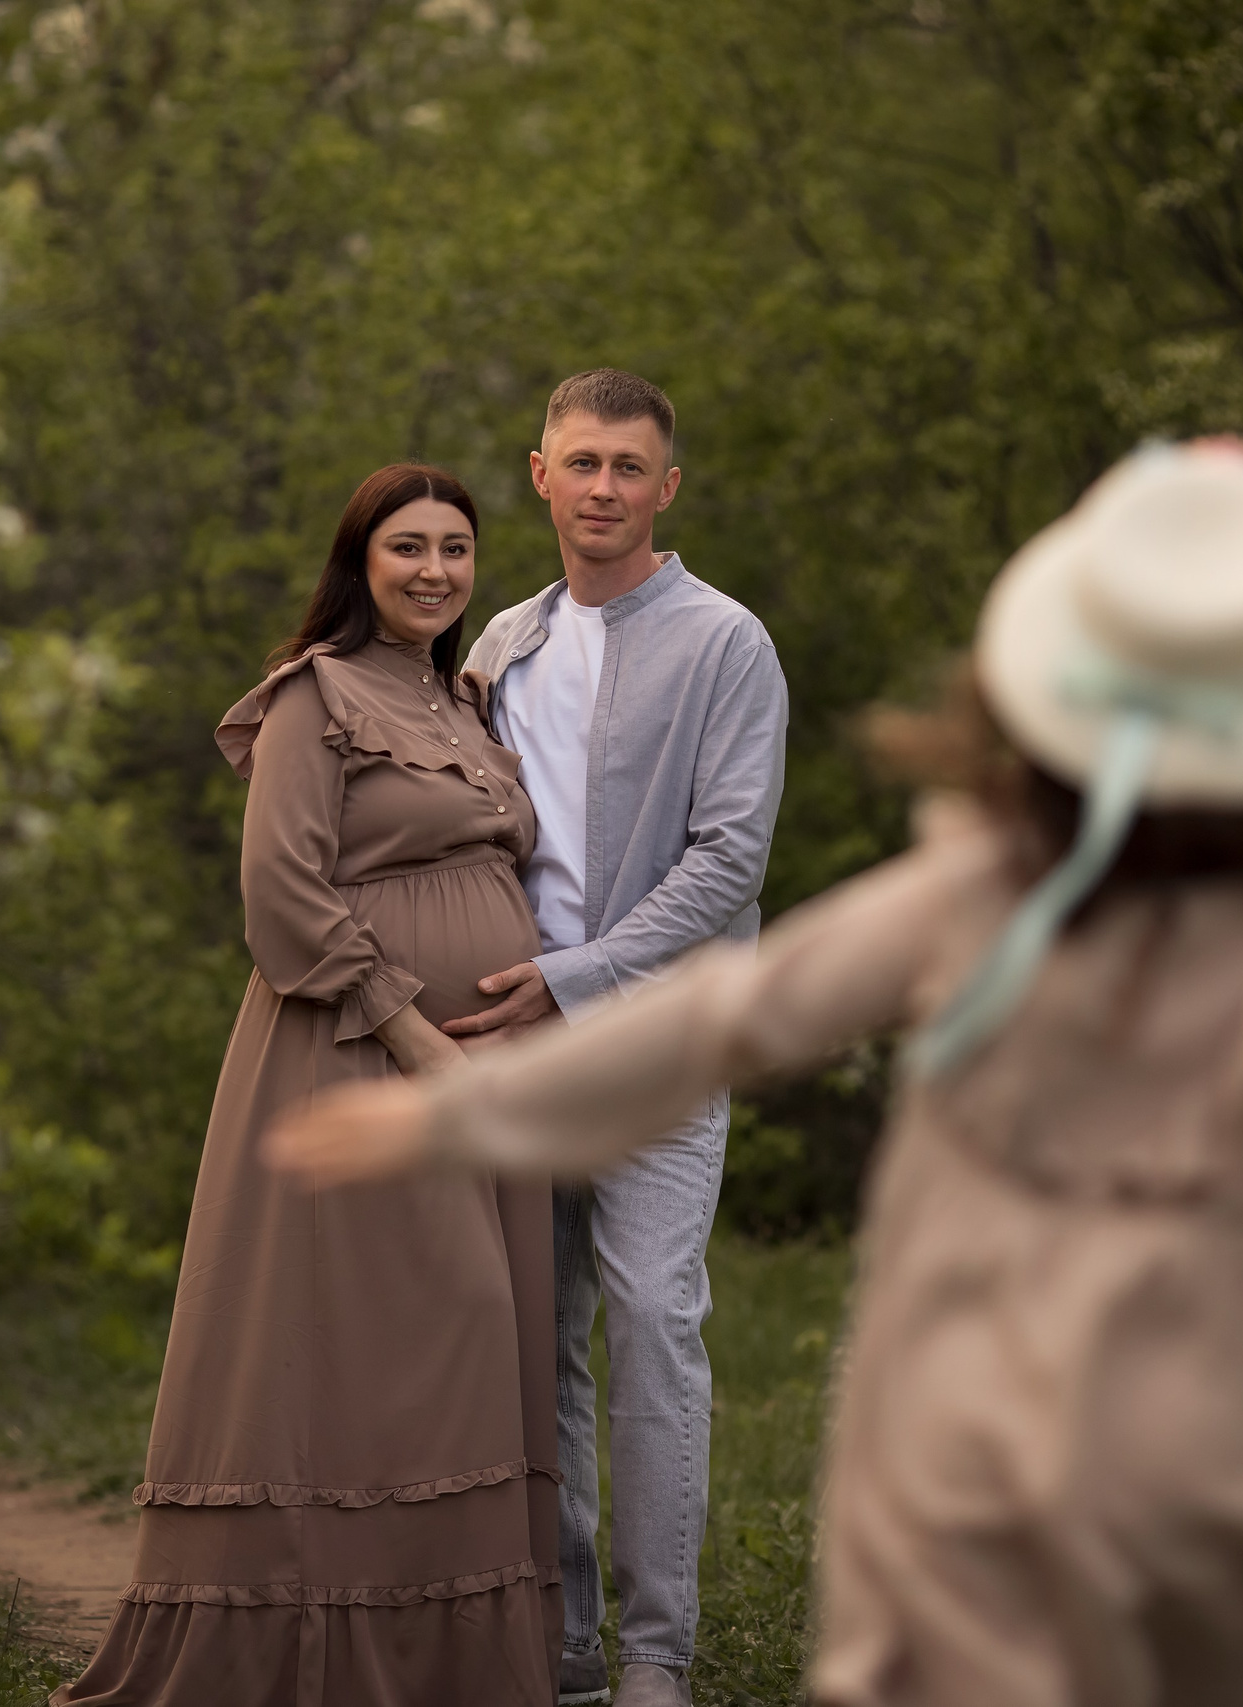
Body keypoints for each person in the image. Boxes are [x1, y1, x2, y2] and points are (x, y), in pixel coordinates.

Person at [266, 439, 1243, 1707]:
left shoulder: (1222, 930)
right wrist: (473, 1103)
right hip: (1066, 1409)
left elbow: (725, 1003)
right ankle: (577, 1647)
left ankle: (653, 1647)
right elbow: (739, 1013)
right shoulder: (1037, 902)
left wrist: (462, 1108)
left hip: (1158, 1428)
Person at [54, 464, 562, 1706]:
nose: (435, 570)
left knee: (473, 1342)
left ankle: (453, 1662)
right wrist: (416, 1035)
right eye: (408, 548)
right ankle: (310, 1649)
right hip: (350, 1057)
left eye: (455, 548)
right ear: (359, 561)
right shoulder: (310, 697)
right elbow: (281, 899)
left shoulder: (468, 699)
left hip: (487, 1078)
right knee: (370, 1349)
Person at [450, 369, 788, 1707]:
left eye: (628, 466)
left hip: (656, 1038)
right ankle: (568, 1639)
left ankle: (655, 1655)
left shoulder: (725, 643)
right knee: (538, 1343)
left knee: (653, 1320)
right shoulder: (497, 646)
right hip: (515, 1049)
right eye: (579, 461)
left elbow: (727, 862)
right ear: (539, 473)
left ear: (667, 487)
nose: (602, 488)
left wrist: (572, 977)